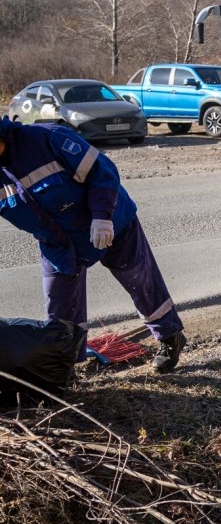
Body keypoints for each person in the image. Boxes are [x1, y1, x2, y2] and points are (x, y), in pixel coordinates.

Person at [0, 119, 186, 372]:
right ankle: (65, 367)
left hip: (109, 222)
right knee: (60, 307)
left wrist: (102, 217)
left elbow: (103, 171)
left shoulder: (47, 139)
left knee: (140, 281)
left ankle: (169, 337)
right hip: (58, 242)